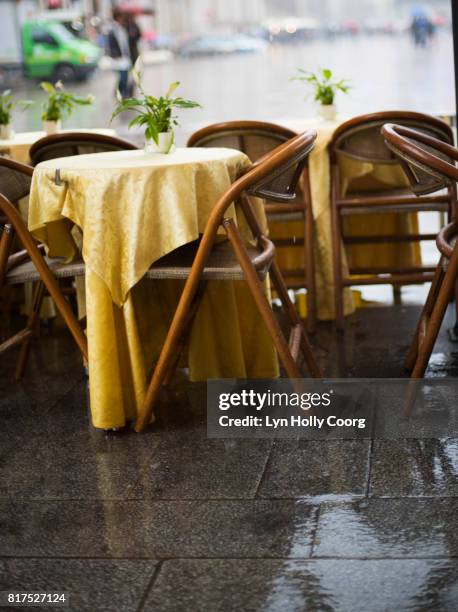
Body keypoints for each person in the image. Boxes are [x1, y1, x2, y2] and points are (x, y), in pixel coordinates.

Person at [107, 9, 132, 98]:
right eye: (121, 17)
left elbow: (125, 43)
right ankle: (121, 92)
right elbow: (110, 42)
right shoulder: (112, 28)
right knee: (122, 76)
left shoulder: (122, 28)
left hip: (124, 56)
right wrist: (114, 54)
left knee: (124, 76)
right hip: (118, 57)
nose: (122, 19)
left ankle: (121, 92)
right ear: (117, 17)